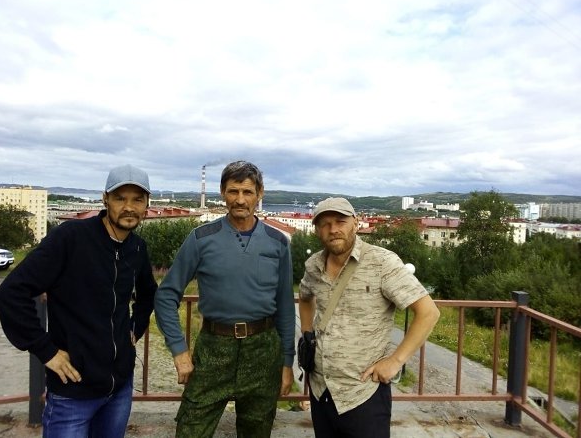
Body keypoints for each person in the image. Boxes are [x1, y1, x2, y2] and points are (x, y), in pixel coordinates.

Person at [0, 164, 157, 438]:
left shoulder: (137, 247)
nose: (129, 207)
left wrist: (135, 328)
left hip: (119, 389)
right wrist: (46, 351)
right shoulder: (71, 237)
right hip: (73, 391)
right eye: (120, 198)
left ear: (147, 204)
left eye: (137, 199)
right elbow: (11, 293)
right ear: (105, 199)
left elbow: (148, 292)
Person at [154, 160, 295, 438]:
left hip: (263, 351)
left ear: (259, 193)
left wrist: (287, 363)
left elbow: (285, 307)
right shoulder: (201, 238)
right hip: (213, 349)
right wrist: (179, 350)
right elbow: (166, 295)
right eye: (233, 191)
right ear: (222, 192)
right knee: (191, 429)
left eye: (247, 192)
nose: (240, 200)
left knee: (257, 430)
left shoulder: (277, 242)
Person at [299, 197, 440, 438]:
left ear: (356, 223)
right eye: (325, 224)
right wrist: (307, 336)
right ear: (317, 230)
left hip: (363, 393)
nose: (333, 229)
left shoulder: (382, 262)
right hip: (321, 389)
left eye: (340, 221)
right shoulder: (314, 265)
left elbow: (428, 313)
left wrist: (395, 361)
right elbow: (304, 298)